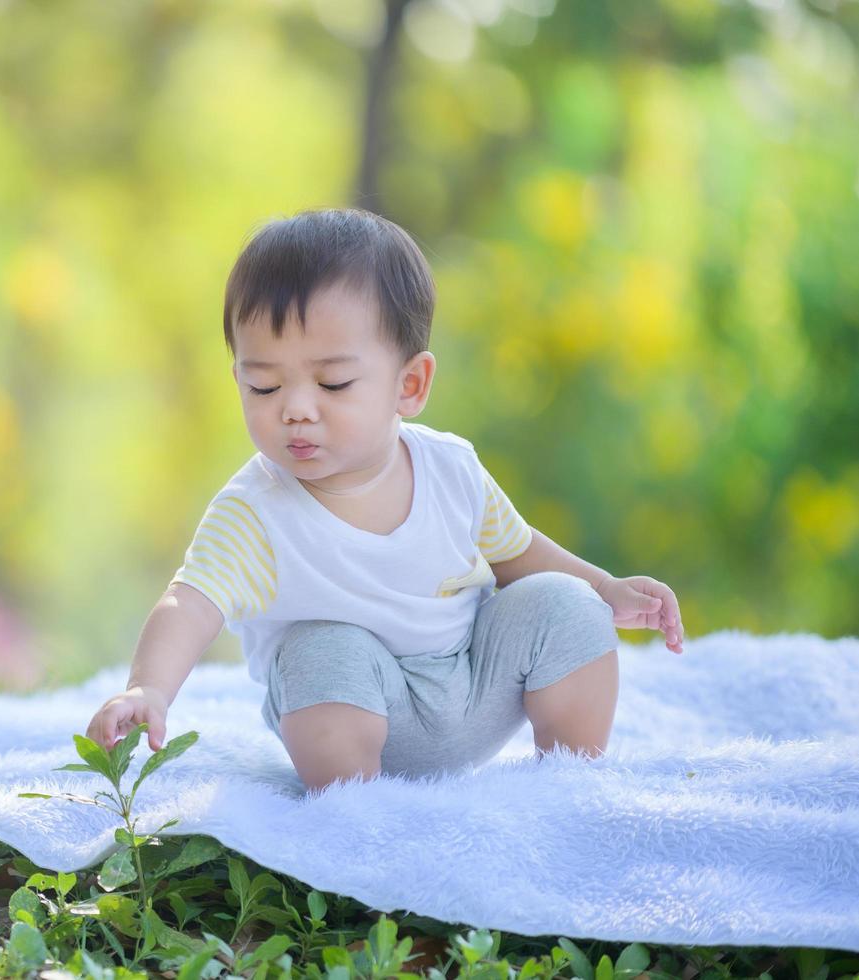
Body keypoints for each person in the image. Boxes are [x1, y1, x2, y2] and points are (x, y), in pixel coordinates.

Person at [83, 207, 685, 793]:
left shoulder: (450, 470)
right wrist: (149, 690)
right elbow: (188, 604)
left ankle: (570, 782)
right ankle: (356, 813)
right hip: (350, 713)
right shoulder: (255, 511)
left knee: (565, 605)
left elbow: (520, 554)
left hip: (473, 685)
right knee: (321, 649)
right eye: (262, 384)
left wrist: (604, 590)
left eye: (333, 383)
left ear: (410, 385)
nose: (294, 406)